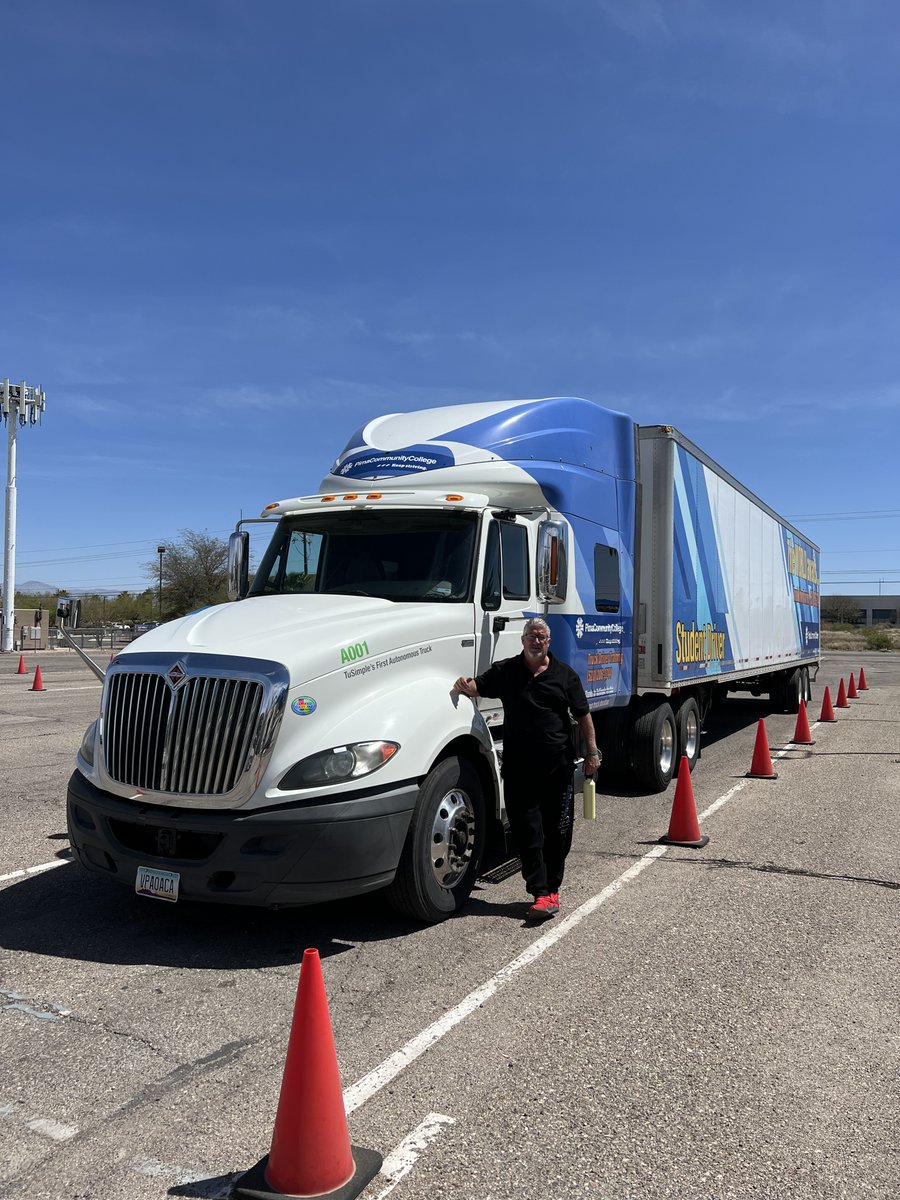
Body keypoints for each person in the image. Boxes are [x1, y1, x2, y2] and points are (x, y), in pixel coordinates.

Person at [454, 616, 600, 921]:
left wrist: (592, 752)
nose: (536, 641)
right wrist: (460, 686)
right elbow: (477, 686)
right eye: (531, 636)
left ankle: (553, 888)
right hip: (519, 770)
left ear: (549, 642)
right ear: (522, 640)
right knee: (527, 832)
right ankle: (540, 892)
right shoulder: (507, 671)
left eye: (542, 637)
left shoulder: (565, 676)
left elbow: (583, 714)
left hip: (557, 770)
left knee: (557, 834)